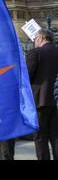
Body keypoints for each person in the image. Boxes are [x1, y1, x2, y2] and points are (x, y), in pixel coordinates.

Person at [27, 28, 58, 160]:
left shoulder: (36, 53)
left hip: (40, 101)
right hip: (55, 101)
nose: (34, 42)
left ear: (40, 38)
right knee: (56, 136)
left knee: (40, 138)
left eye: (34, 39)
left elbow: (26, 78)